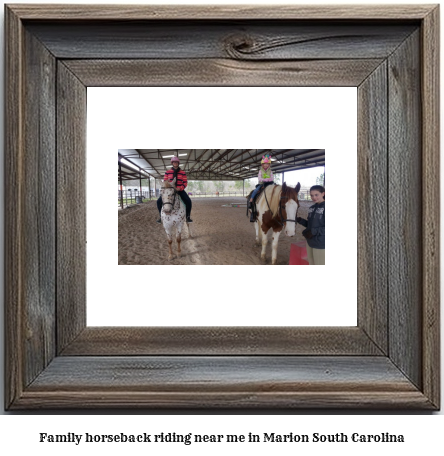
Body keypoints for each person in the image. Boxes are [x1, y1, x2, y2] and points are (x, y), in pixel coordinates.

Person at [156, 156, 193, 223]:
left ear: (178, 163)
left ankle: (188, 217)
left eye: (176, 162)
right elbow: (165, 182)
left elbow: (185, 183)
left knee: (188, 201)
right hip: (169, 190)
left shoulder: (182, 172)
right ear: (172, 163)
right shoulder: (167, 172)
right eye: (174, 162)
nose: (175, 163)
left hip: (179, 190)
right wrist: (169, 186)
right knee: (158, 201)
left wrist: (180, 188)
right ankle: (160, 217)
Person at [297, 185, 325, 265]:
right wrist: (300, 220)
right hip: (310, 242)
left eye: (316, 195)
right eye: (312, 195)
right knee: (311, 264)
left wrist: (313, 231)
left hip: (321, 244)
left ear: (323, 193)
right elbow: (310, 225)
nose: (314, 197)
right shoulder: (311, 208)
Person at [248, 154, 274, 222]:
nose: (266, 165)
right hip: (262, 184)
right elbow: (259, 178)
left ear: (269, 165)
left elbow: (272, 178)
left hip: (270, 184)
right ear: (262, 165)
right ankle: (252, 198)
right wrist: (265, 179)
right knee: (256, 190)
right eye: (264, 164)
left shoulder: (270, 171)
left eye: (267, 164)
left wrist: (269, 180)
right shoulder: (260, 171)